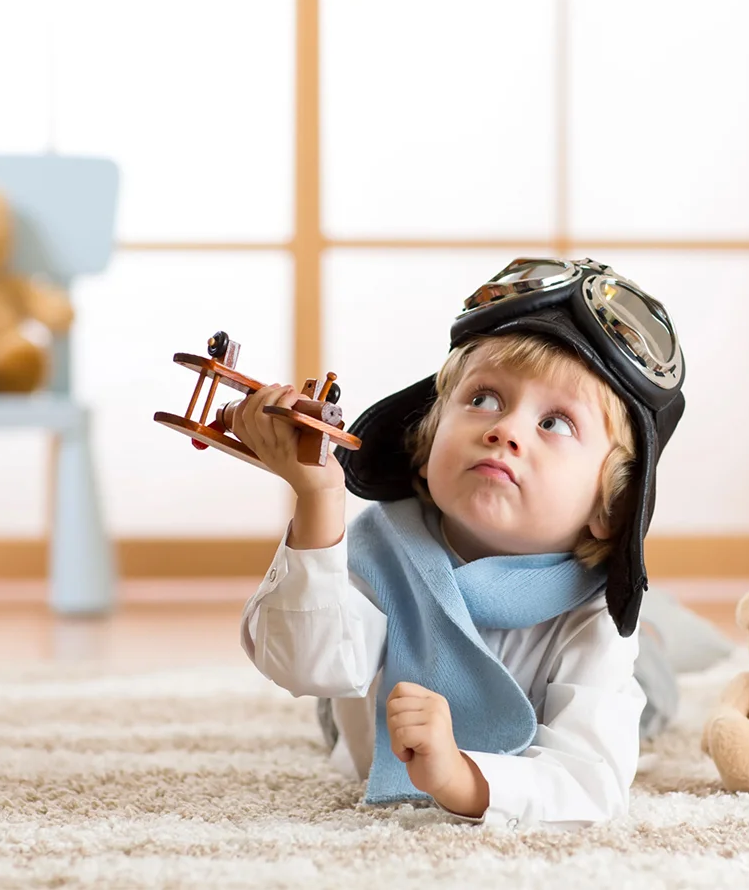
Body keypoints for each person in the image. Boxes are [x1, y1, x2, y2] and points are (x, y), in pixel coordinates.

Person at [235, 257, 689, 830]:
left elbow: (590, 783)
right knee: (336, 689)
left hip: (607, 669)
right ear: (426, 449)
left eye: (555, 423)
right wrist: (319, 498)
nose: (505, 430)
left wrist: (459, 776)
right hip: (361, 710)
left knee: (648, 698)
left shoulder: (594, 617)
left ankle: (659, 632)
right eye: (484, 399)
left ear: (610, 507)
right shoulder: (378, 548)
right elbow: (306, 665)